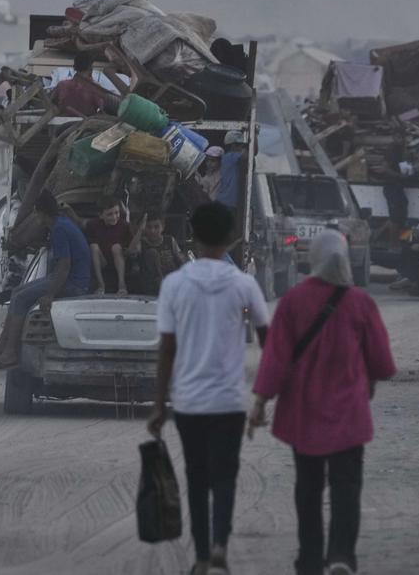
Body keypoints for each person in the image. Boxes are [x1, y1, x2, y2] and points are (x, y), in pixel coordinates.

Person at [250, 230, 396, 575]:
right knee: (347, 485)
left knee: (309, 487)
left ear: (313, 259)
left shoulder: (293, 301)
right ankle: (342, 555)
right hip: (349, 415)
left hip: (304, 414)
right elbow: (383, 364)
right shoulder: (361, 303)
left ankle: (311, 558)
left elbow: (275, 359)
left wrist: (259, 402)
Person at [148, 201, 270, 575]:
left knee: (197, 480)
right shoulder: (244, 284)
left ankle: (201, 557)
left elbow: (166, 349)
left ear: (194, 238)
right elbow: (270, 342)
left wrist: (158, 404)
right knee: (225, 476)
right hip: (229, 401)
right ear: (231, 238)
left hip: (189, 401)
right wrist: (263, 396)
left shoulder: (174, 285)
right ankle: (220, 544)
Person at [0, 191, 91, 370]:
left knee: (20, 298)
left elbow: (64, 266)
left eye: (36, 213)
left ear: (41, 212)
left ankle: (10, 353)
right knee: (16, 293)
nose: (36, 217)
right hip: (68, 279)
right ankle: (2, 347)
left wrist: (49, 294)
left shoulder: (59, 228)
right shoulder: (60, 224)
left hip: (74, 284)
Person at [127, 211, 186, 296]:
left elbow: (180, 259)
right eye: (149, 227)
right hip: (153, 284)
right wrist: (140, 230)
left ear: (163, 227)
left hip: (172, 280)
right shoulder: (142, 242)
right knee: (152, 253)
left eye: (156, 227)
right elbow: (130, 252)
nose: (152, 231)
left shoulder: (169, 240)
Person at [84, 195, 131, 295]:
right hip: (102, 261)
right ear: (101, 215)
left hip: (119, 260)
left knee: (116, 247)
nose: (114, 217)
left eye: (117, 213)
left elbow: (130, 248)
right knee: (93, 246)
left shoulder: (124, 226)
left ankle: (122, 285)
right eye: (109, 214)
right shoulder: (93, 225)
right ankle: (101, 285)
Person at [52, 50, 109, 117]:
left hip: (63, 122)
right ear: (90, 68)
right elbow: (102, 108)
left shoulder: (62, 85)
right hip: (87, 124)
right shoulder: (95, 89)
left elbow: (52, 102)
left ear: (75, 67)